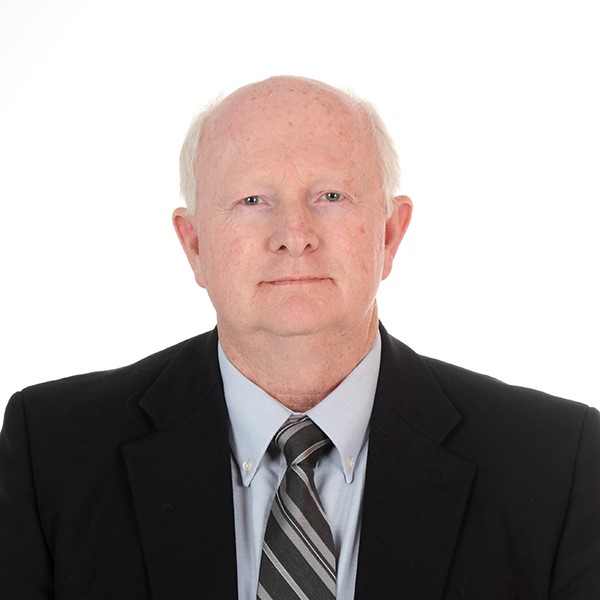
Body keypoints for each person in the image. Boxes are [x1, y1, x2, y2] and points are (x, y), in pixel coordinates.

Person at [0, 76, 598, 600]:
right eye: (252, 199)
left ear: (390, 234)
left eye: (330, 196)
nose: (294, 234)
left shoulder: (555, 464)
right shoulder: (51, 451)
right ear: (194, 244)